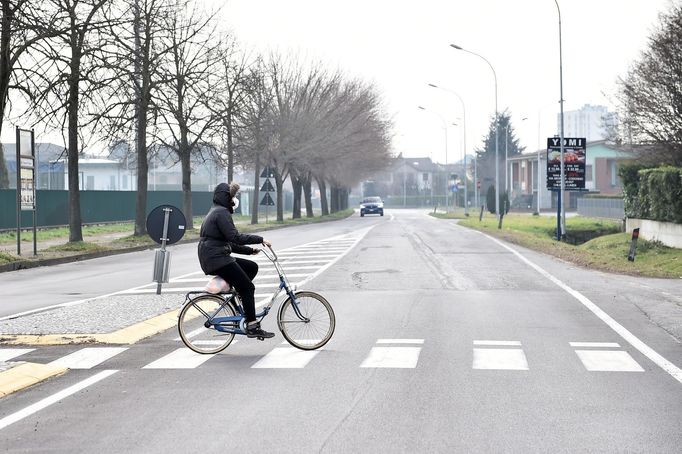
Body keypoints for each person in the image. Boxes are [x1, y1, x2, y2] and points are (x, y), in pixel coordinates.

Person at [198, 182, 274, 339]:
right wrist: (260, 239)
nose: (234, 200)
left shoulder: (217, 211)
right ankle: (252, 325)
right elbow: (235, 237)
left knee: (251, 267)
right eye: (232, 197)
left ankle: (236, 296)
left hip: (214, 255)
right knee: (248, 288)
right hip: (216, 258)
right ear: (226, 197)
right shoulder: (221, 213)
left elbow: (228, 243)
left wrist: (250, 251)